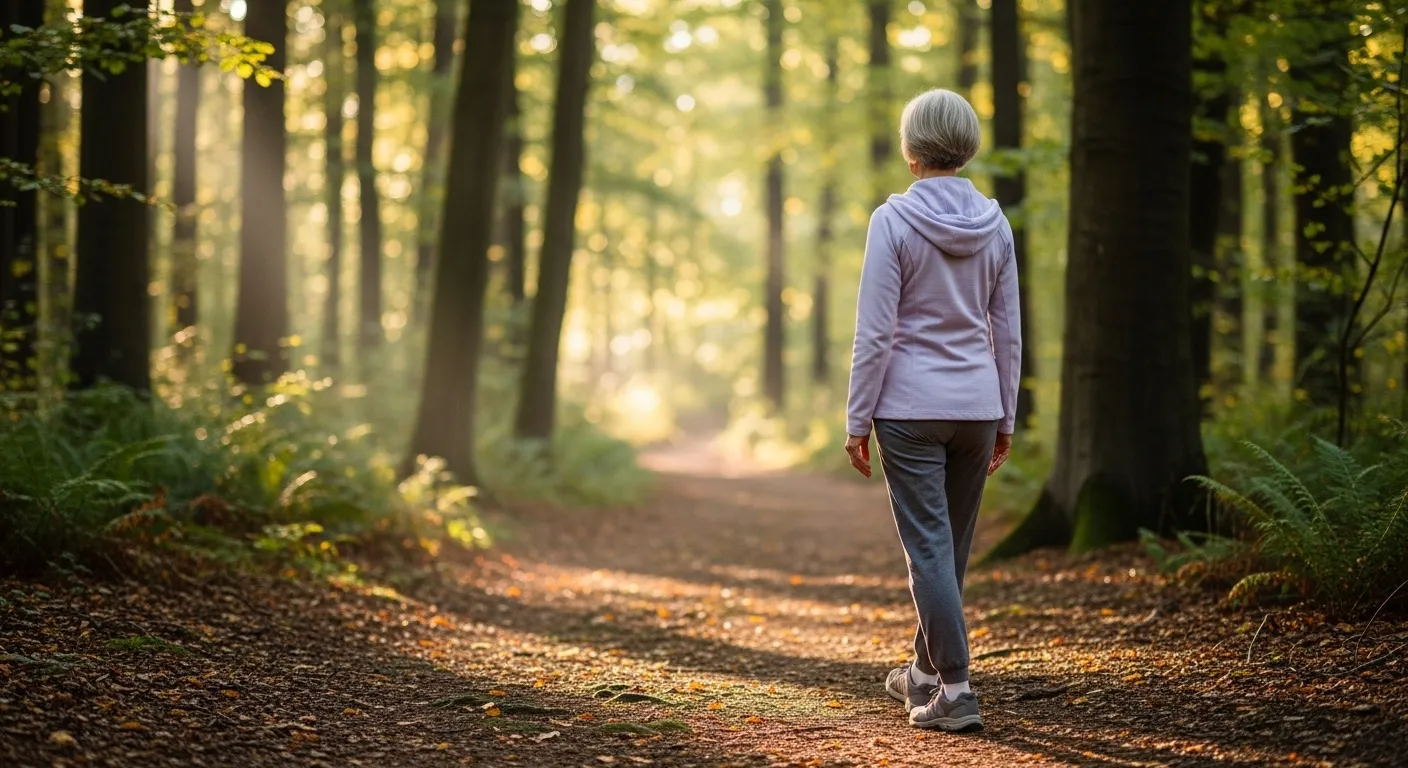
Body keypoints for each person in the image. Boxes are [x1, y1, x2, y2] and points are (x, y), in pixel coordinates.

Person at [843, 88, 1022, 732]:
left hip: (910, 411)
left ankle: (956, 689)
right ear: (966, 149)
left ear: (911, 153)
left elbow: (875, 332)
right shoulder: (996, 224)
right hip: (977, 407)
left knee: (929, 552)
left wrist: (857, 420)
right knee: (950, 550)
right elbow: (1008, 332)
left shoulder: (892, 221)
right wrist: (1006, 416)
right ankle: (923, 674)